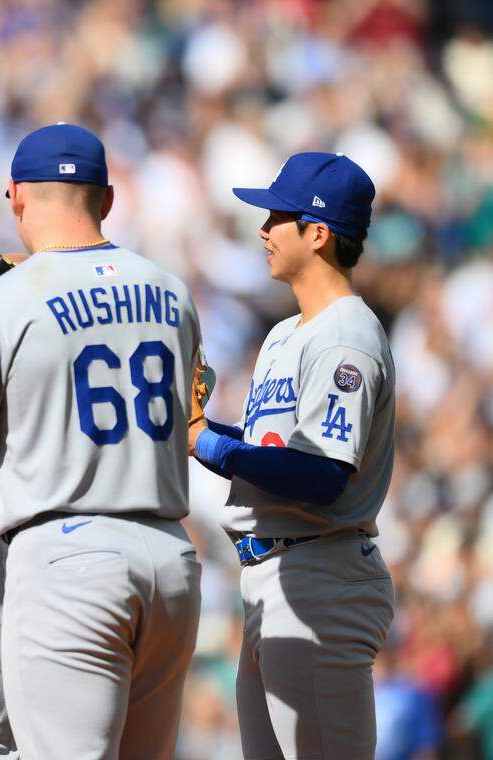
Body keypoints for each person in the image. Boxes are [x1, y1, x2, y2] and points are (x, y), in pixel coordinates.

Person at [0, 123, 203, 759]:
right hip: (170, 558)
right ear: (106, 200)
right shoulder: (171, 291)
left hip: (68, 557)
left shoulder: (1, 300)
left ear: (15, 196)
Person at [190, 151, 396, 759]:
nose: (262, 230)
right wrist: (197, 429)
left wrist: (207, 443)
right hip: (272, 577)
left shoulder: (346, 335)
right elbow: (265, 452)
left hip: (319, 580)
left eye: (276, 216)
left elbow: (322, 474)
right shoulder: (286, 333)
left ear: (318, 231)